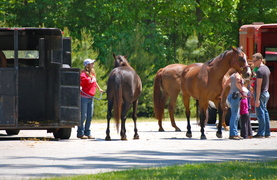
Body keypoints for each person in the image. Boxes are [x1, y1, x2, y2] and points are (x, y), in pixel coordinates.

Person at [77, 59, 103, 139]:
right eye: (92, 63)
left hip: (90, 97)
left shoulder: (92, 73)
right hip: (84, 97)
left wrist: (99, 88)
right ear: (87, 65)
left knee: (89, 116)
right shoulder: (83, 75)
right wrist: (88, 81)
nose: (93, 64)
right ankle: (80, 133)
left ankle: (87, 132)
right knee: (83, 116)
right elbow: (82, 84)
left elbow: (94, 81)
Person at [252, 53, 271, 138]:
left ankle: (261, 133)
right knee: (265, 112)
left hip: (261, 93)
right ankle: (267, 132)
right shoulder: (266, 68)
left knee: (260, 114)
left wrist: (257, 99)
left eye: (255, 61)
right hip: (266, 93)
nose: (253, 63)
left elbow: (258, 86)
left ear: (260, 60)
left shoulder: (260, 71)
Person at [221, 72, 244, 140]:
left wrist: (222, 94)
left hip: (230, 95)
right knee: (235, 116)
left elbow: (225, 84)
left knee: (235, 115)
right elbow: (237, 82)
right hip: (235, 96)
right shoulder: (238, 75)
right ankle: (233, 134)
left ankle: (235, 133)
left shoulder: (232, 75)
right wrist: (242, 90)